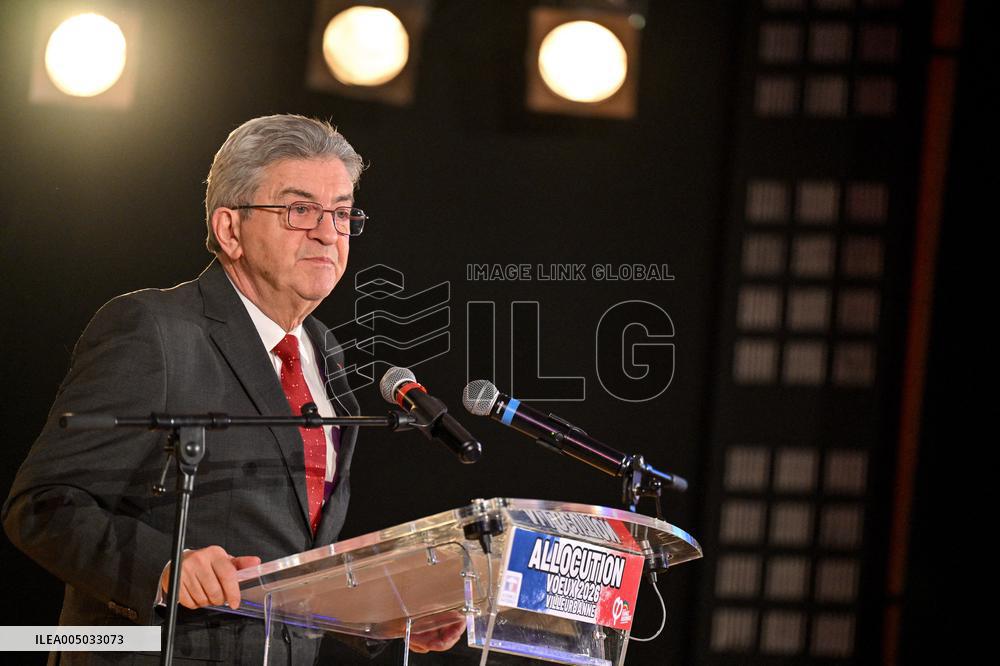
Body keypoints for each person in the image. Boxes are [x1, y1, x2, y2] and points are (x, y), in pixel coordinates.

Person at [3, 114, 465, 664]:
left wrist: (374, 612)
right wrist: (166, 568)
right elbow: (43, 505)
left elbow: (286, 553)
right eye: (299, 210)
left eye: (341, 213)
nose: (327, 231)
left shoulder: (326, 352)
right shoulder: (154, 330)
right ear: (229, 229)